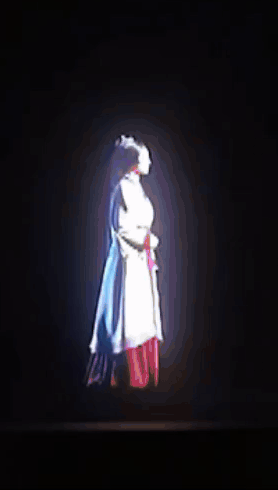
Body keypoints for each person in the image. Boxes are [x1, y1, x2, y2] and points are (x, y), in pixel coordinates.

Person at [85, 135, 164, 390]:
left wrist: (147, 243)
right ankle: (122, 379)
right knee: (126, 319)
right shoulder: (122, 188)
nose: (149, 162)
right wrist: (147, 240)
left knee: (141, 318)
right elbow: (121, 227)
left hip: (139, 263)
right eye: (146, 158)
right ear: (134, 161)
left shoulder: (136, 188)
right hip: (127, 263)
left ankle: (142, 381)